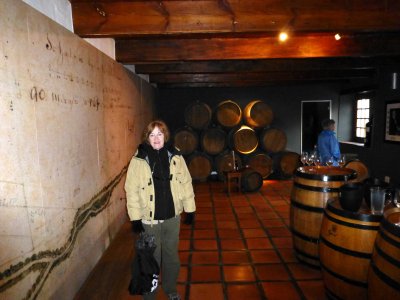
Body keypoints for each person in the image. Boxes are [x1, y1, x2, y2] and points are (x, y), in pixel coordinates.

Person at [125, 120, 196, 300]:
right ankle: (150, 294)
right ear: (147, 138)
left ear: (165, 136)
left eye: (160, 134)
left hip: (173, 217)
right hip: (150, 220)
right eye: (152, 134)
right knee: (152, 258)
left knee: (171, 256)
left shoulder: (176, 156)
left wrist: (190, 209)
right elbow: (131, 190)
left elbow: (186, 183)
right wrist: (135, 218)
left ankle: (170, 289)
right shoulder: (139, 159)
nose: (156, 138)